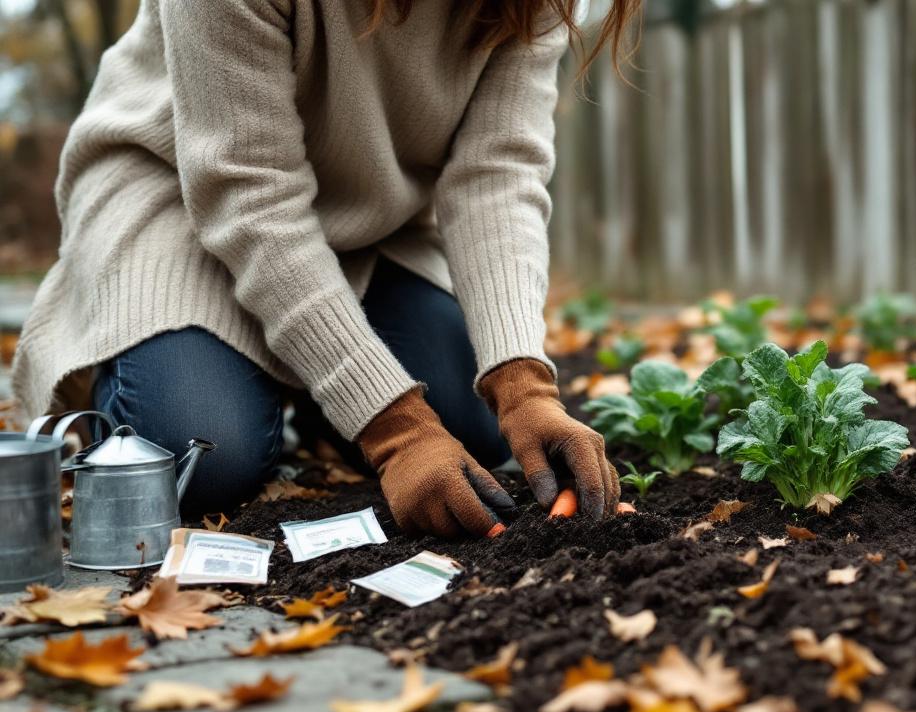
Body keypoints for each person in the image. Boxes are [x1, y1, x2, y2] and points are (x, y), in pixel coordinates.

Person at [13, 0, 639, 537]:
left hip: (367, 224)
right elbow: (248, 189)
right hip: (175, 198)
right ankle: (224, 365)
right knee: (197, 458)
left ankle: (319, 386)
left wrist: (524, 386)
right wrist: (395, 429)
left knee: (478, 431)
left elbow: (497, 174)